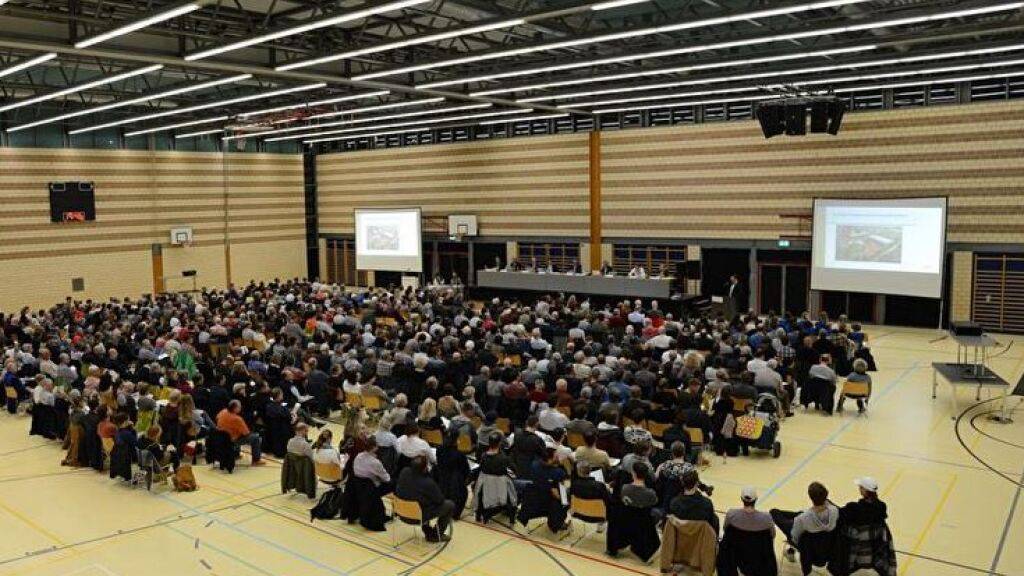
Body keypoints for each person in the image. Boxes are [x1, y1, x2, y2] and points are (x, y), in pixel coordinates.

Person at [770, 481, 838, 564]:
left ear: (810, 497)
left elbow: (794, 537)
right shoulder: (836, 511)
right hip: (829, 548)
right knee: (799, 515)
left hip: (813, 553)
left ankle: (790, 551)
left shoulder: (803, 519)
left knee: (775, 513)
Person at [396, 455, 454, 542]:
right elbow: (440, 500)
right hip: (417, 516)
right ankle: (435, 535)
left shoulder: (404, 471)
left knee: (423, 500)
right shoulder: (428, 483)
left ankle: (427, 529)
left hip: (401, 512)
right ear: (425, 468)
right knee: (449, 505)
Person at [669, 470, 719, 536]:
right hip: (700, 539)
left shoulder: (674, 503)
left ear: (682, 483)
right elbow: (711, 525)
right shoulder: (707, 503)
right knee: (715, 518)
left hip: (680, 538)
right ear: (697, 484)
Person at [216, 399, 265, 466]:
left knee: (236, 432)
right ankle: (256, 460)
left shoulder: (223, 412)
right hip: (231, 440)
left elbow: (217, 418)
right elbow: (246, 433)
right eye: (239, 407)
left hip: (220, 437)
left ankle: (236, 454)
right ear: (235, 408)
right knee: (255, 437)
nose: (241, 408)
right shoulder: (238, 419)